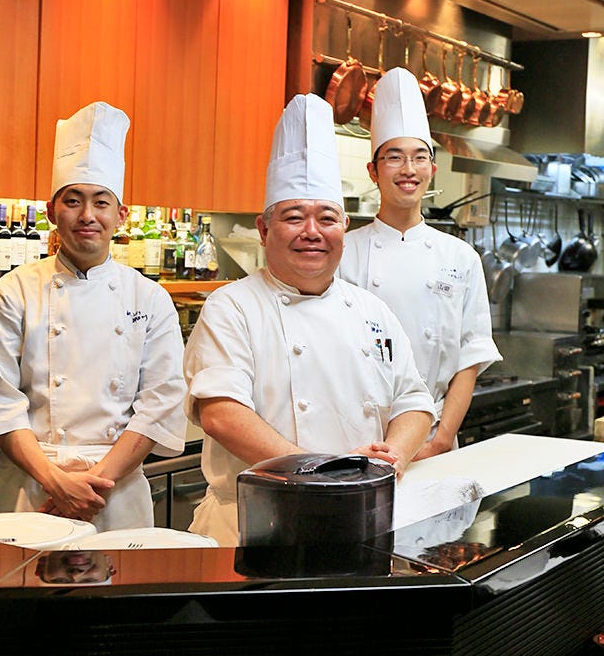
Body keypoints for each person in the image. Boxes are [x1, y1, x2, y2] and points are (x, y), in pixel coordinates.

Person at [183, 93, 437, 546]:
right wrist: (322, 470)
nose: (312, 233)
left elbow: (414, 401)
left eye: (327, 218)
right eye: (294, 218)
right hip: (256, 526)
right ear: (264, 229)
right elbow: (221, 415)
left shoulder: (370, 310)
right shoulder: (233, 306)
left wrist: (394, 456)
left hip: (360, 519)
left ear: (344, 227)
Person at [0, 102, 186, 530]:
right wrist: (56, 482)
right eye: (73, 201)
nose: (88, 216)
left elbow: (160, 404)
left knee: (115, 595)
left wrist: (91, 485)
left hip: (114, 496)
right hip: (30, 492)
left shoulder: (151, 298)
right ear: (51, 212)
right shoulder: (12, 292)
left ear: (120, 216)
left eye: (101, 203)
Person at [338, 67, 501, 460]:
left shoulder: (460, 257)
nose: (408, 170)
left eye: (419, 158)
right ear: (373, 171)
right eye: (394, 158)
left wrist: (441, 439)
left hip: (434, 438)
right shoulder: (344, 252)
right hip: (361, 438)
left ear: (432, 168)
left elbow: (470, 355)